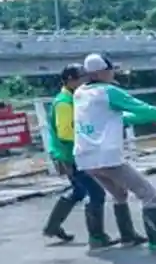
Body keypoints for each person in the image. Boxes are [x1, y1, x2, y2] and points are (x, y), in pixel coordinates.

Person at [73, 53, 156, 253]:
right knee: (148, 194)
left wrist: (151, 118)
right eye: (111, 70)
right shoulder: (109, 92)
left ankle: (127, 236)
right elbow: (142, 108)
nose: (113, 73)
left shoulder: (80, 93)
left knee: (119, 194)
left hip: (85, 158)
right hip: (107, 157)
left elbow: (120, 117)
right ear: (102, 72)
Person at [40, 64, 118, 249]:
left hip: (72, 153)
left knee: (79, 190)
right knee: (96, 193)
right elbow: (65, 133)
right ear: (70, 80)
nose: (86, 81)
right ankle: (97, 237)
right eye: (82, 77)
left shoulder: (74, 98)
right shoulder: (64, 103)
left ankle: (52, 227)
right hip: (70, 155)